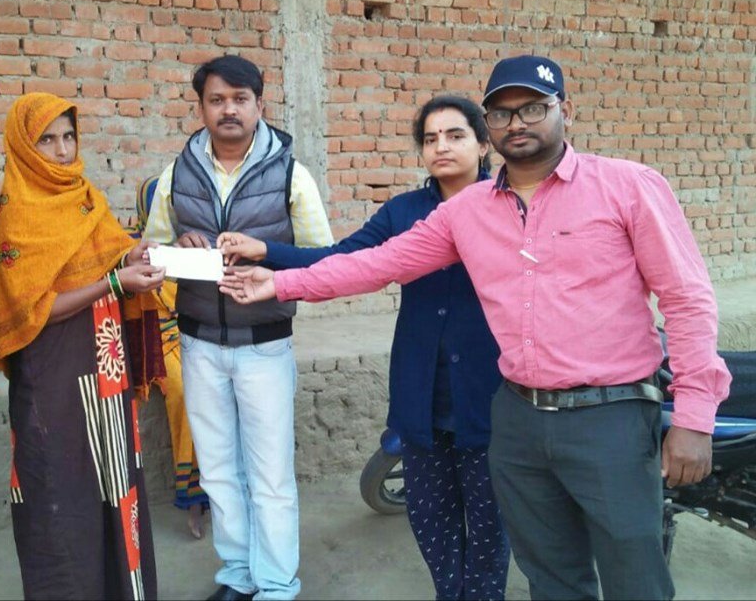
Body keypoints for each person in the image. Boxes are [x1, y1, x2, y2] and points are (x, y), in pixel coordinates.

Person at [219, 55, 732, 601]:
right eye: (502, 113)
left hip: (611, 415)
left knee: (634, 575)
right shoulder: (467, 211)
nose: (517, 123)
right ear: (491, 126)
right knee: (551, 573)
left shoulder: (627, 186)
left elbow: (687, 298)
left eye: (532, 108)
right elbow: (378, 262)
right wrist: (281, 282)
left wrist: (694, 415)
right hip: (516, 416)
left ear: (565, 111)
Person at [218, 95, 510, 599]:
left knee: (489, 522)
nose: (441, 147)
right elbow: (344, 258)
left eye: (455, 135)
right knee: (430, 515)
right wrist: (267, 251)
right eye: (430, 139)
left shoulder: (508, 209)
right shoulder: (405, 212)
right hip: (421, 386)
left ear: (484, 144)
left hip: (491, 388)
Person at [143, 55, 333, 601]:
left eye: (240, 99)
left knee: (270, 475)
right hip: (198, 342)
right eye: (217, 100)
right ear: (201, 107)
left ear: (259, 105)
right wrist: (176, 248)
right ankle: (237, 575)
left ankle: (275, 585)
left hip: (264, 347)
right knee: (220, 471)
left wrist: (264, 254)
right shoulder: (176, 175)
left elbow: (323, 260)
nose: (229, 109)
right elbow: (149, 249)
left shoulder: (291, 175)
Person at [0, 93, 167, 600]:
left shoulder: (86, 197)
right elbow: (32, 310)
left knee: (116, 482)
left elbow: (111, 254)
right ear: (24, 146)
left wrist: (134, 253)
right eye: (47, 140)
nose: (63, 151)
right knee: (60, 489)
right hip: (55, 373)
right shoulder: (17, 215)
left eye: (68, 136)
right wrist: (114, 283)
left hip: (106, 366)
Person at [132, 175, 211, 540]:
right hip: (158, 343)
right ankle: (194, 497)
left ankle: (227, 489)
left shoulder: (196, 245)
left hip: (198, 334)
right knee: (184, 392)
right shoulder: (133, 249)